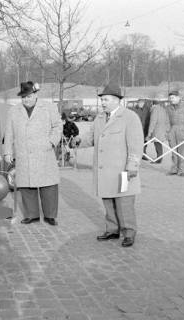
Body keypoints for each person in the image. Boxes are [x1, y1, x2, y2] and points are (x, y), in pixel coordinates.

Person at [74, 84, 144, 247]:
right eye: (102, 100)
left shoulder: (130, 117)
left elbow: (136, 144)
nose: (103, 103)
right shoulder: (99, 118)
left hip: (123, 171)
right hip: (104, 171)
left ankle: (129, 232)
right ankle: (112, 230)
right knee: (108, 201)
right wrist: (78, 141)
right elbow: (91, 138)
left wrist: (133, 165)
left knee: (124, 202)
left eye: (105, 100)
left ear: (116, 100)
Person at [4, 81, 62, 226]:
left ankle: (50, 215)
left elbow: (57, 126)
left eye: (28, 96)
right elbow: (9, 133)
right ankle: (32, 214)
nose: (26, 99)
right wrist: (7, 152)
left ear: (36, 94)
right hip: (23, 153)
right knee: (26, 186)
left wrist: (51, 142)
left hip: (44, 152)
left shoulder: (49, 107)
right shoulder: (13, 111)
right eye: (23, 97)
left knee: (48, 186)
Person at [166, 90, 184, 177]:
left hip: (183, 130)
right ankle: (174, 169)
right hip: (172, 130)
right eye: (170, 98)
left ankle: (182, 170)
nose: (171, 99)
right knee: (174, 151)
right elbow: (167, 121)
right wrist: (167, 132)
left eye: (173, 98)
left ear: (178, 97)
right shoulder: (168, 107)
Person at [146, 99, 169, 163]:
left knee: (157, 144)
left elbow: (153, 122)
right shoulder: (163, 109)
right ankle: (159, 158)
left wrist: (149, 132)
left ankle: (159, 159)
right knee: (159, 144)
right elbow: (167, 120)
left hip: (156, 130)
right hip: (162, 130)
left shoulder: (155, 110)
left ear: (153, 104)